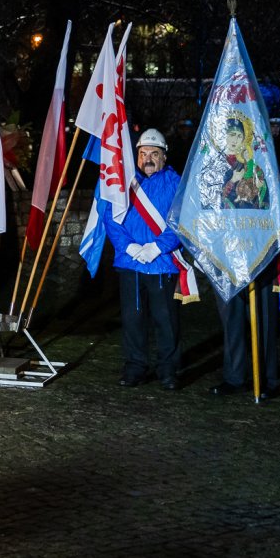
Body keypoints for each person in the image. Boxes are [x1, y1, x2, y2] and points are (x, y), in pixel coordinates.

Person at [209, 119, 280, 400]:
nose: (232, 139)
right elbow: (209, 208)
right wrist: (230, 183)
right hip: (226, 257)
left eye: (237, 134)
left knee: (263, 322)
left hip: (259, 257)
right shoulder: (215, 170)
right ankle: (235, 376)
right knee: (231, 320)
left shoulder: (267, 169)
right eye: (228, 135)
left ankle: (266, 378)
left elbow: (277, 208)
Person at [103, 128, 184, 390]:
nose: (148, 158)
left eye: (154, 154)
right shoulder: (122, 182)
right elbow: (110, 216)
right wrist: (129, 248)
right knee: (133, 319)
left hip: (161, 263)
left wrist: (157, 248)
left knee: (166, 320)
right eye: (143, 153)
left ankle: (168, 369)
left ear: (164, 157)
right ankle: (135, 366)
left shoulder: (175, 183)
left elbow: (182, 220)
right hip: (131, 264)